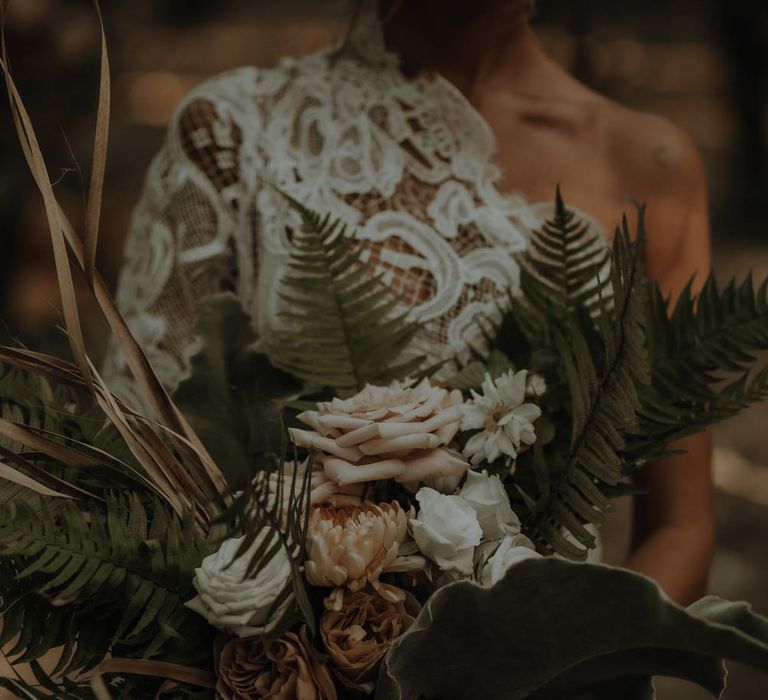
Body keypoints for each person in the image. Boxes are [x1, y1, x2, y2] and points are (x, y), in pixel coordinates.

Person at [106, 0, 714, 604]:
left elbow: (680, 528)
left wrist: (572, 667)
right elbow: (129, 463)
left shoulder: (648, 166)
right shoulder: (232, 131)